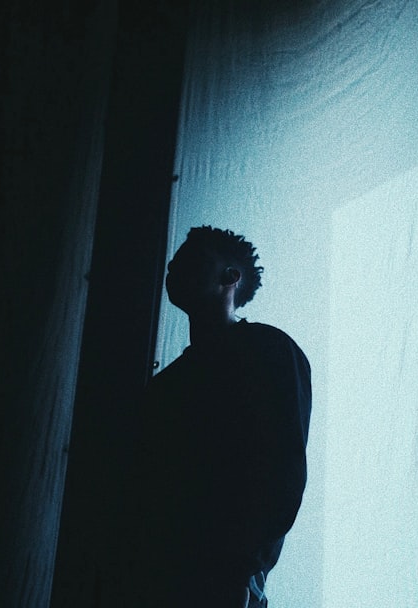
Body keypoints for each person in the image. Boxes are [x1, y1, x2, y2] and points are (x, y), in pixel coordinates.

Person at [126, 226, 312, 607]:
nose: (174, 267)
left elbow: (283, 466)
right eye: (175, 261)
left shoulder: (268, 349)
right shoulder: (165, 387)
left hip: (224, 581)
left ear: (231, 278)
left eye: (194, 258)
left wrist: (240, 568)